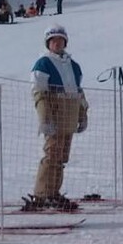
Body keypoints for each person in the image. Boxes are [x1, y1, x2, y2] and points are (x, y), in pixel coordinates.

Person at [27, 24, 88, 211]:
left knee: (61, 157)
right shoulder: (43, 63)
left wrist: (82, 114)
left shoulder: (73, 65)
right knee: (51, 155)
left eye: (61, 40)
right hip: (55, 113)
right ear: (48, 43)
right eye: (54, 40)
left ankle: (53, 191)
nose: (57, 43)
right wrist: (45, 118)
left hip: (68, 116)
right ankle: (42, 193)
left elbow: (78, 93)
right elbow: (39, 93)